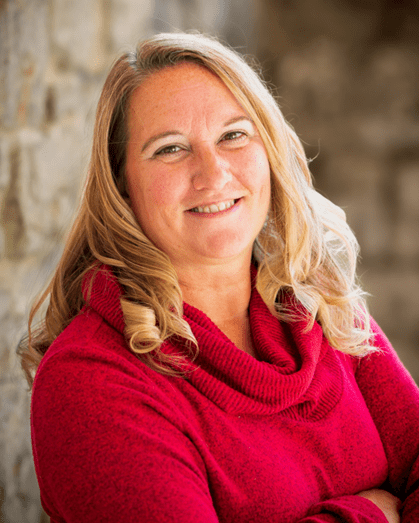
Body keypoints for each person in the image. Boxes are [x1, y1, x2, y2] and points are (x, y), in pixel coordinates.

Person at [20, 32, 418, 523]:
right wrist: (371, 514)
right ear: (122, 186)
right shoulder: (92, 382)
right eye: (169, 149)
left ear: (269, 151)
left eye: (233, 135)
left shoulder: (320, 304)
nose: (213, 173)